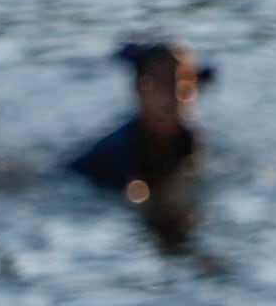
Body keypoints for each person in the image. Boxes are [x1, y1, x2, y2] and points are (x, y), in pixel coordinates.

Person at [64, 36, 206, 203]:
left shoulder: (188, 138)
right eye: (161, 83)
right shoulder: (118, 150)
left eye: (182, 82)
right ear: (140, 89)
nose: (172, 93)